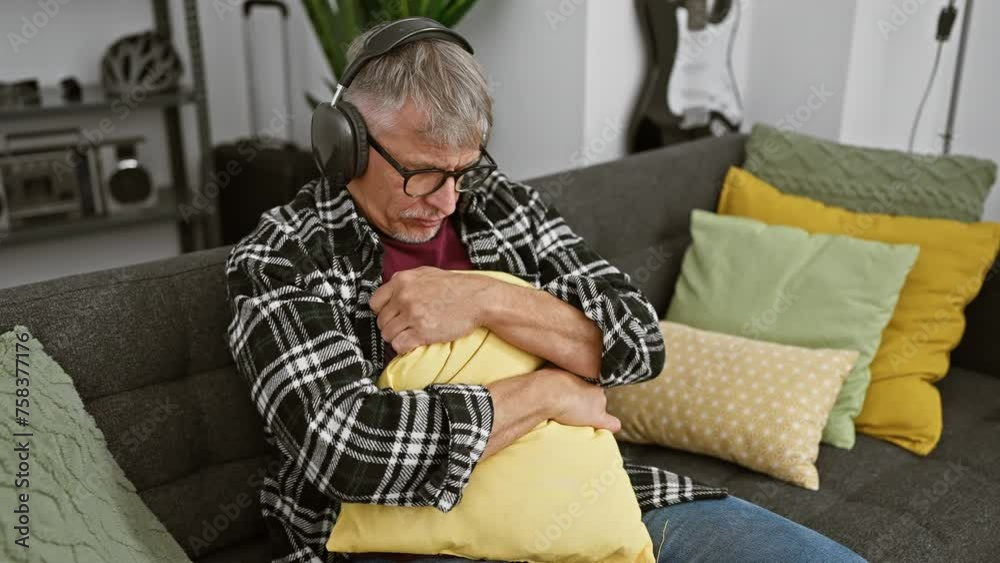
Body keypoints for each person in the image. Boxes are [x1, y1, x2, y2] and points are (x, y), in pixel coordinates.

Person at [225, 19, 866, 563]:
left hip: (583, 493)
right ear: (345, 144)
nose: (446, 202)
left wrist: (486, 298)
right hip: (403, 537)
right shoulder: (283, 257)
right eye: (422, 175)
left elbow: (639, 342)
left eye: (461, 171)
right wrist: (550, 390)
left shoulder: (495, 202)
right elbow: (347, 451)